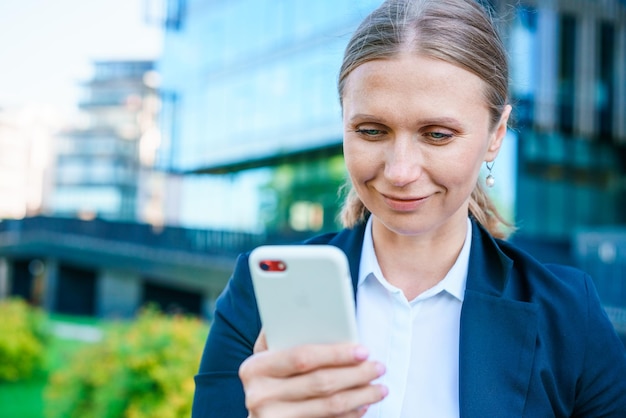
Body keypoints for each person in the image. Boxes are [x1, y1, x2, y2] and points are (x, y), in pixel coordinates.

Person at [192, 0, 626, 416]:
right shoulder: (260, 293)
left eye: (437, 135)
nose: (400, 171)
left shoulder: (569, 315)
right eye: (371, 130)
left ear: (495, 134)